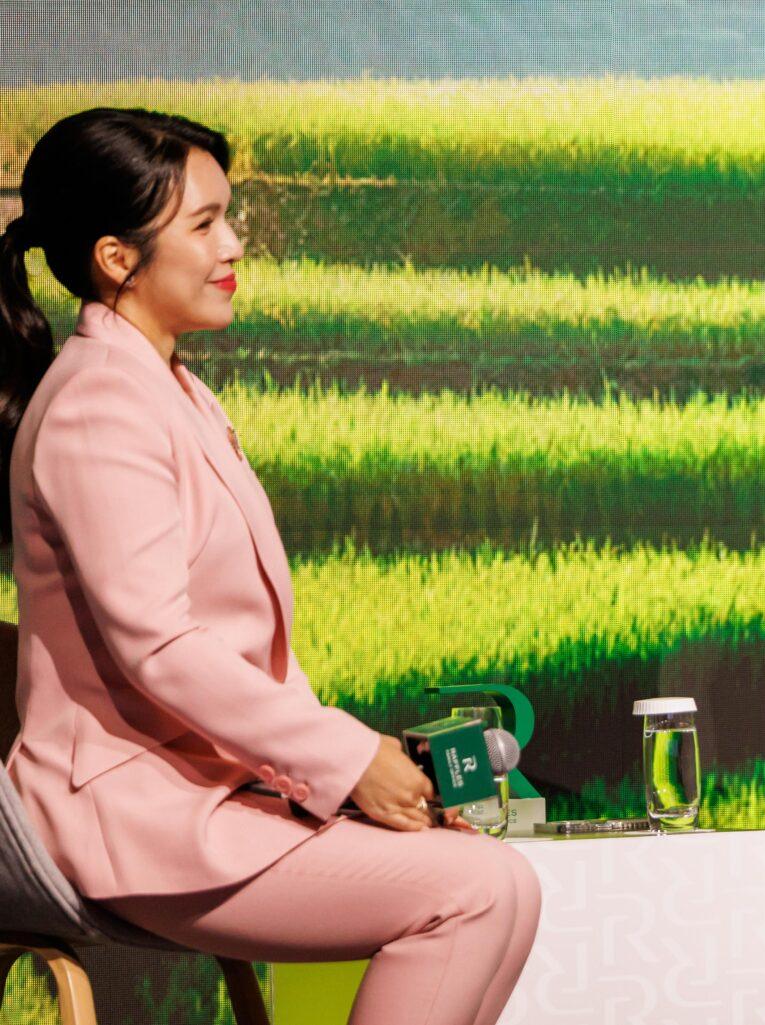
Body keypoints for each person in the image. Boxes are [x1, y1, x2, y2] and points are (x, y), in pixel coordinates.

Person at [0, 109, 539, 1025]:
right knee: (475, 891)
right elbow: (163, 648)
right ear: (116, 258)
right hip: (126, 817)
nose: (233, 244)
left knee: (505, 888)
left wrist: (358, 763)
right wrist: (343, 761)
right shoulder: (100, 405)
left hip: (205, 792)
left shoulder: (168, 388)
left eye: (229, 216)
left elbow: (231, 656)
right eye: (204, 224)